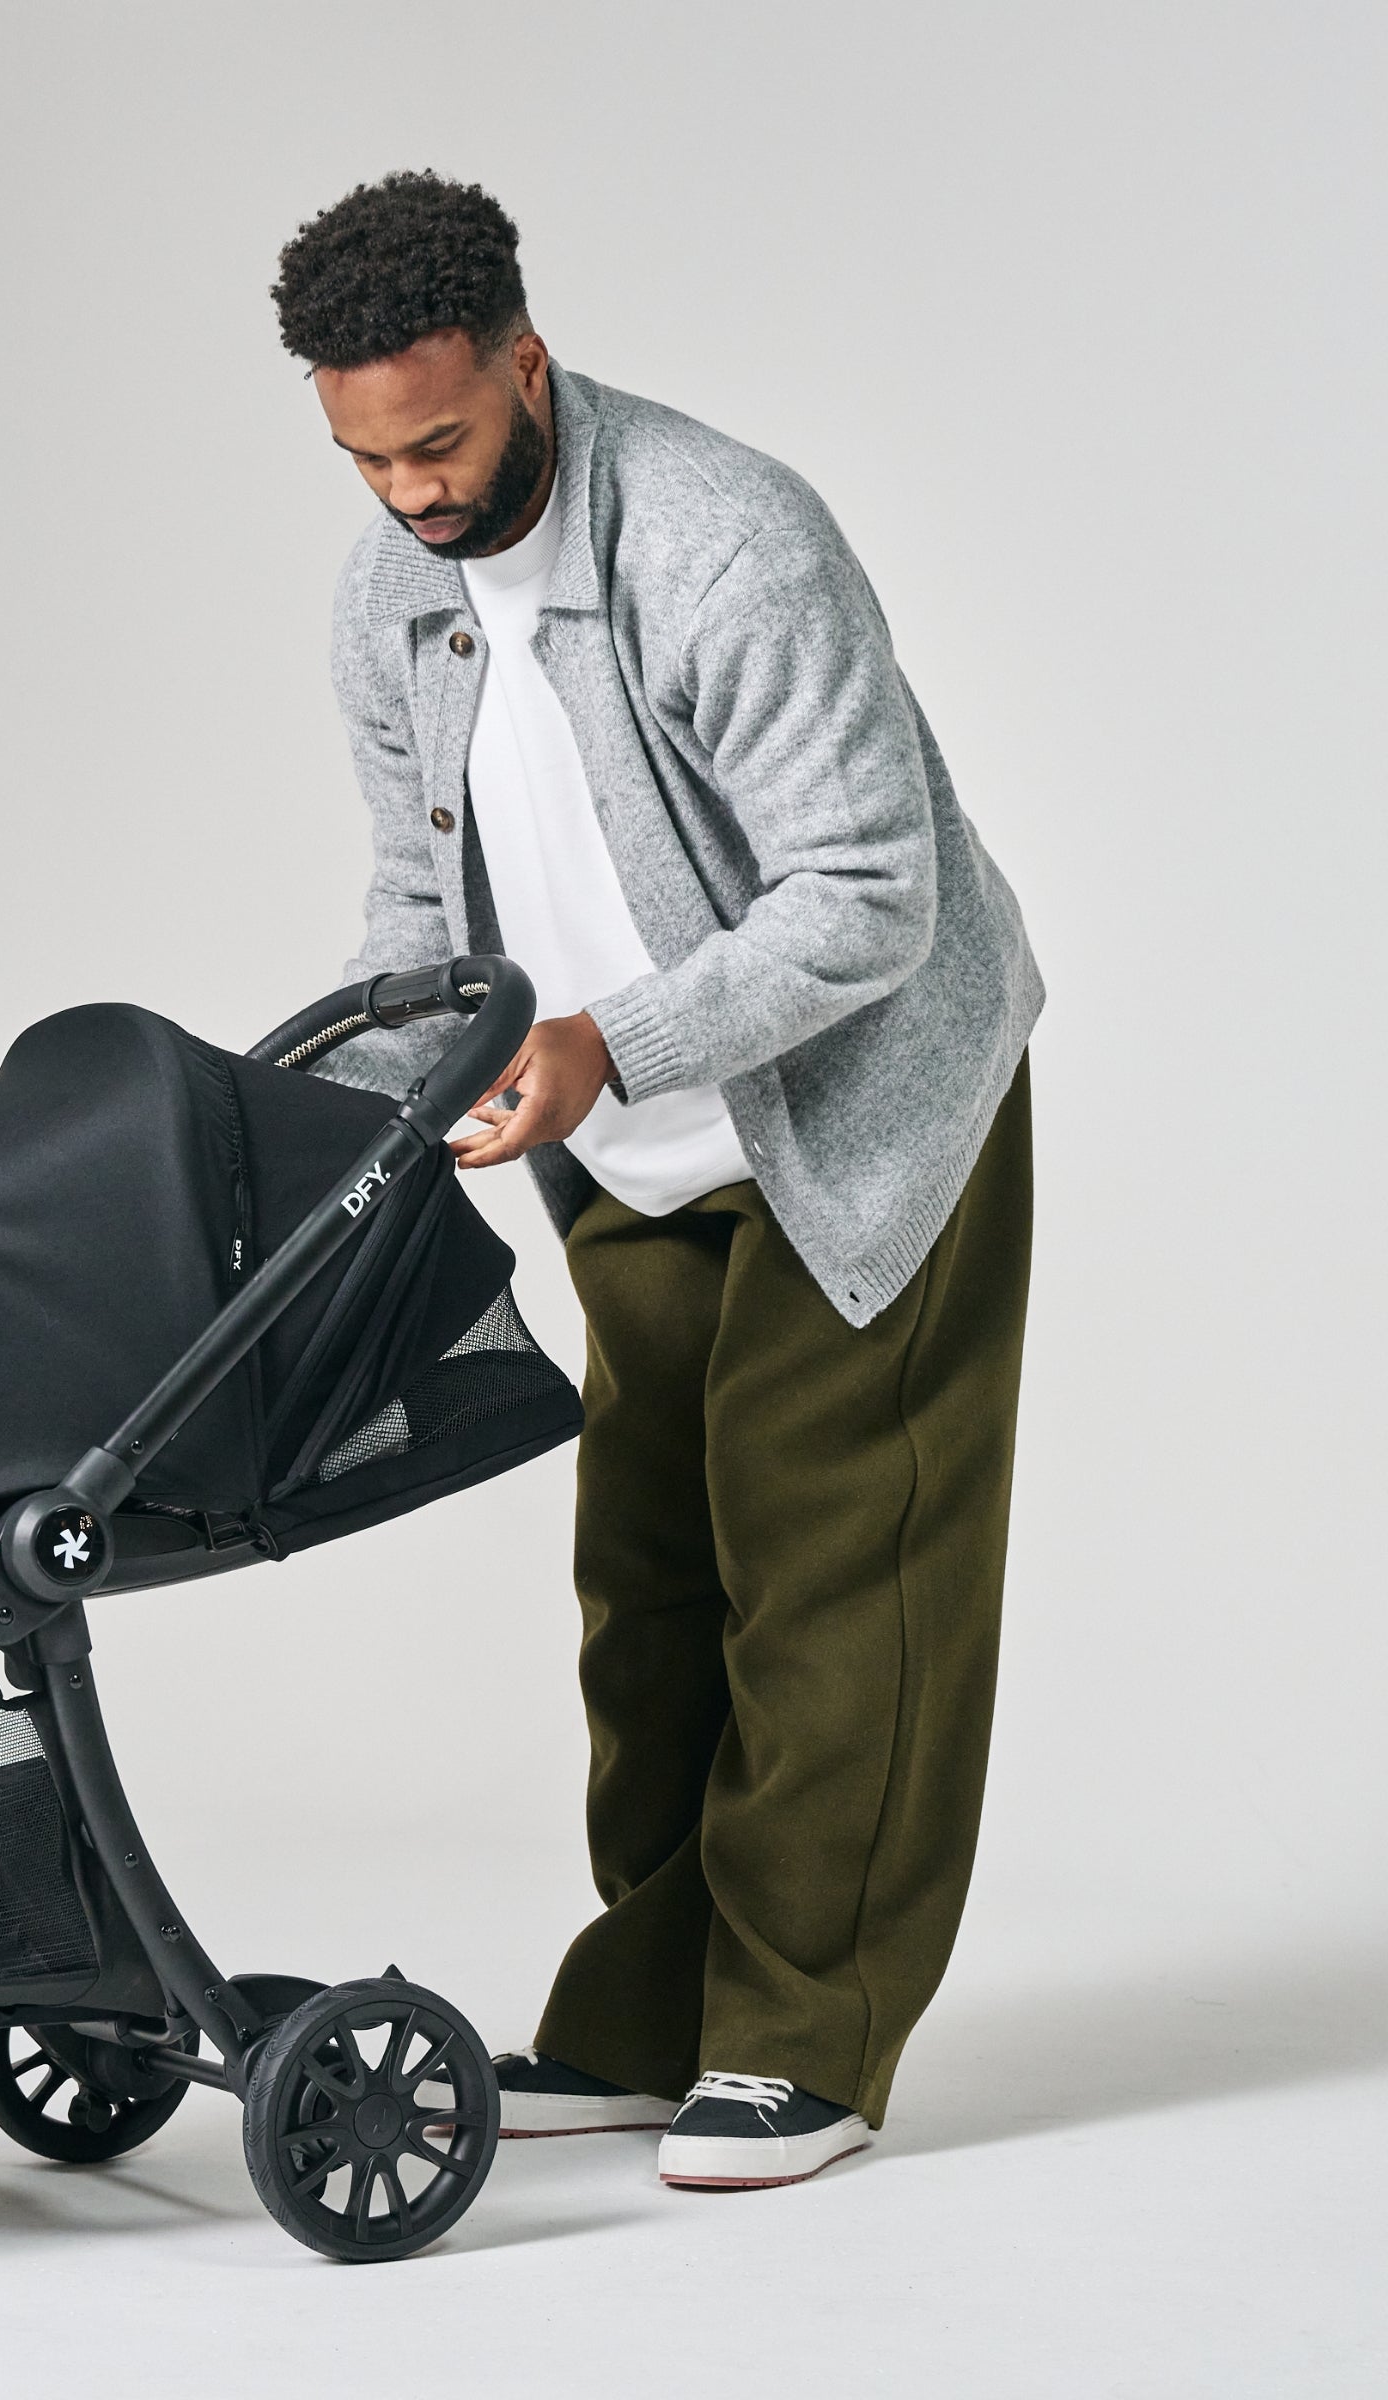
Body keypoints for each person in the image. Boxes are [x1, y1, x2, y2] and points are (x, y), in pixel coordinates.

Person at [274, 172, 1039, 2190]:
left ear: (526, 363)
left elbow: (872, 900)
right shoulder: (389, 592)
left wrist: (610, 1044)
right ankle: (655, 2011)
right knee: (651, 1586)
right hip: (612, 1138)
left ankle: (809, 2037)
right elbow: (416, 897)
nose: (411, 493)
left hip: (855, 1119)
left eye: (438, 442)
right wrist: (370, 1092)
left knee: (833, 1579)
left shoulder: (726, 542)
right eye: (365, 459)